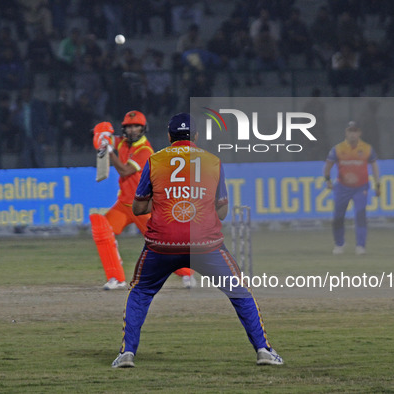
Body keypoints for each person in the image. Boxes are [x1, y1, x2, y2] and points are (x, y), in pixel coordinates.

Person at [111, 113, 283, 368]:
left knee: (141, 292)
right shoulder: (213, 161)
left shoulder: (155, 160)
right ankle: (263, 350)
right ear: (197, 136)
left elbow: (137, 208)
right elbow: (223, 211)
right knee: (239, 292)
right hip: (205, 245)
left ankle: (127, 354)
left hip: (163, 244)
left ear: (169, 137)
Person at [90, 111, 195, 290]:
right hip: (123, 205)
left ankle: (186, 273)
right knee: (101, 225)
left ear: (143, 128)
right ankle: (116, 277)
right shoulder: (122, 142)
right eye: (129, 127)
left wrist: (109, 152)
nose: (132, 130)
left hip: (142, 206)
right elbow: (105, 140)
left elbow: (124, 171)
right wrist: (102, 135)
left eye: (136, 126)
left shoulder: (145, 150)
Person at [323, 121, 380, 255]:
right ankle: (339, 244)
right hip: (342, 187)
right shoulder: (338, 149)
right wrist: (327, 179)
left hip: (361, 187)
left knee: (360, 215)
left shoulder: (366, 148)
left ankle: (360, 246)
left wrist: (378, 184)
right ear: (346, 132)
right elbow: (328, 165)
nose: (352, 134)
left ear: (359, 133)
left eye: (355, 131)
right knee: (338, 216)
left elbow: (374, 166)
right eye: (350, 131)